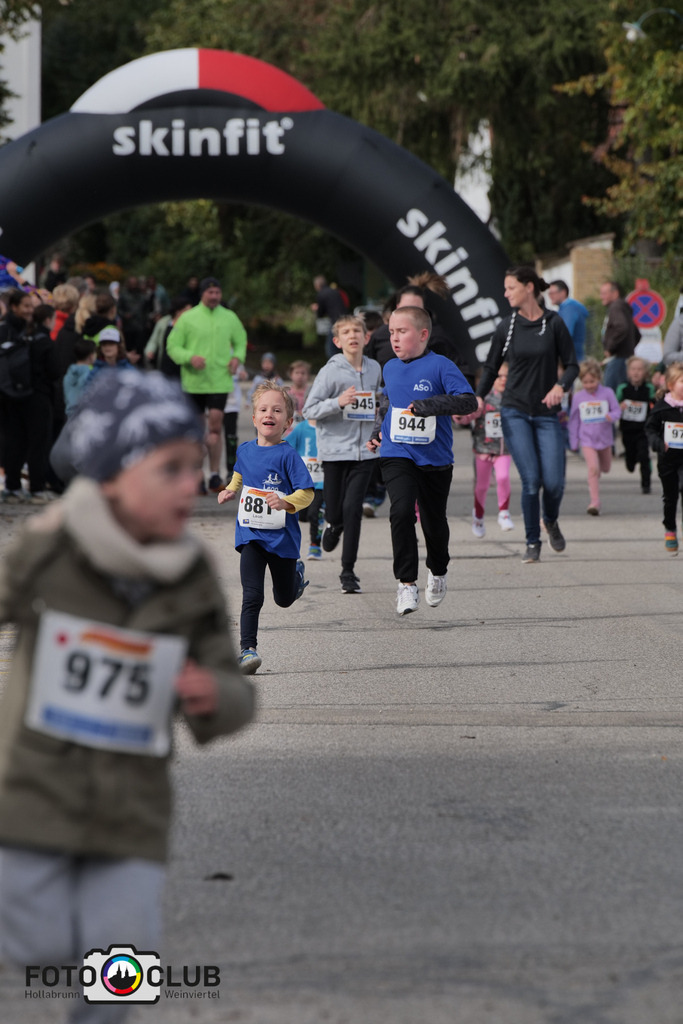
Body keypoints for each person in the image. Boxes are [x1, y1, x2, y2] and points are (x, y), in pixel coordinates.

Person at [0, 369, 255, 1024]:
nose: (189, 487)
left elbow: (232, 685)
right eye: (168, 470)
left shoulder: (189, 572)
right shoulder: (55, 545)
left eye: (195, 467)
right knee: (44, 947)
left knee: (125, 969)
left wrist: (210, 696)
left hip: (131, 811)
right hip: (33, 795)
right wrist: (37, 539)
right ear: (113, 474)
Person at [367, 306, 476, 614]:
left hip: (435, 458)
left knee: (434, 522)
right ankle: (406, 584)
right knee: (400, 512)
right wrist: (378, 431)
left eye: (402, 332)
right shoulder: (389, 366)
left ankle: (438, 570)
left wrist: (430, 405)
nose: (394, 338)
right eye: (391, 332)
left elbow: (469, 401)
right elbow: (388, 402)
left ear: (423, 334)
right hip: (396, 453)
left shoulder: (441, 366)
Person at [476, 266, 578, 563]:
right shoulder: (506, 326)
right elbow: (491, 367)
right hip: (515, 411)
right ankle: (532, 541)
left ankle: (551, 520)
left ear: (529, 287)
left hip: (547, 414)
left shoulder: (554, 323)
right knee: (532, 480)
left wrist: (561, 386)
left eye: (511, 288)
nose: (506, 293)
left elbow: (572, 365)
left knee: (555, 483)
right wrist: (478, 399)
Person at [217, 382, 314, 673]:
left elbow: (307, 493)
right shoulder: (246, 450)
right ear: (254, 418)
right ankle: (248, 650)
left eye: (277, 410)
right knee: (252, 594)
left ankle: (294, 578)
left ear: (288, 422)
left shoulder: (288, 456)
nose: (269, 414)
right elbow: (239, 473)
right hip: (251, 536)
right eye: (263, 409)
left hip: (282, 539)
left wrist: (285, 502)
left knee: (283, 599)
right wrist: (230, 489)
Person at [302, 314, 382, 594]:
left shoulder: (375, 369)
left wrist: (379, 416)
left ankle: (348, 571)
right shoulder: (330, 371)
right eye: (346, 332)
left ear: (366, 337)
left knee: (354, 510)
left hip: (365, 453)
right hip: (335, 452)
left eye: (357, 331)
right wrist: (339, 402)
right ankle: (332, 525)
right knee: (336, 511)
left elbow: (380, 400)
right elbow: (309, 410)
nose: (353, 335)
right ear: (337, 341)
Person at [166, 276, 247, 494]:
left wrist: (237, 358)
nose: (214, 296)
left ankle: (214, 474)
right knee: (197, 431)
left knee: (214, 427)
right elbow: (172, 346)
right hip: (194, 382)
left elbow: (241, 340)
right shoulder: (188, 318)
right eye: (210, 293)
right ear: (202, 294)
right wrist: (189, 357)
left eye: (217, 293)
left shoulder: (229, 317)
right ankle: (196, 474)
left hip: (220, 381)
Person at [0, 289, 60, 504]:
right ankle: (36, 488)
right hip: (35, 395)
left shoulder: (4, 331)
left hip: (8, 395)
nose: (30, 309)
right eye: (26, 305)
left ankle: (13, 487)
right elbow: (53, 370)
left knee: (13, 441)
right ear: (14, 306)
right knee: (38, 442)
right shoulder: (35, 334)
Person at [457, 363, 514, 537]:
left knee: (503, 477)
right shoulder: (484, 399)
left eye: (506, 376)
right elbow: (468, 417)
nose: (503, 380)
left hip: (504, 449)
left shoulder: (514, 398)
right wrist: (460, 415)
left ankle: (504, 512)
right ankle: (479, 517)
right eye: (499, 376)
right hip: (483, 449)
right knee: (481, 486)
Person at [568, 358, 621, 515]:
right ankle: (594, 502)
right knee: (593, 469)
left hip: (605, 439)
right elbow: (574, 420)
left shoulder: (608, 393)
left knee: (605, 468)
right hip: (587, 440)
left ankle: (596, 477)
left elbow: (617, 410)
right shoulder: (578, 397)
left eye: (592, 381)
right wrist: (573, 441)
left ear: (599, 378)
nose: (589, 385)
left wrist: (611, 416)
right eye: (585, 382)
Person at [645, 362, 683, 555]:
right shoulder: (661, 408)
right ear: (670, 385)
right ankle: (670, 528)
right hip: (667, 459)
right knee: (670, 496)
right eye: (682, 381)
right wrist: (659, 444)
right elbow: (650, 429)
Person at [287, 416, 325, 559]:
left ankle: (315, 545)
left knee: (314, 513)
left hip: (322, 482)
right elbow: (287, 446)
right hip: (303, 483)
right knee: (302, 515)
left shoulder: (329, 427)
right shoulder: (301, 428)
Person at [616, 356, 655, 494]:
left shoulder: (649, 388)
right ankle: (630, 460)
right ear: (628, 372)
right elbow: (615, 405)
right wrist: (619, 407)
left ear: (645, 372)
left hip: (643, 429)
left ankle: (646, 484)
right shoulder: (623, 388)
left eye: (639, 369)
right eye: (633, 369)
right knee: (631, 460)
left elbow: (654, 404)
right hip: (627, 430)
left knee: (644, 455)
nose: (636, 372)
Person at [599, 281, 640, 391]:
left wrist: (610, 348)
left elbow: (622, 327)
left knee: (610, 393)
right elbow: (637, 334)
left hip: (617, 358)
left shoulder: (616, 307)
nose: (601, 296)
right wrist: (628, 347)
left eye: (604, 293)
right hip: (624, 357)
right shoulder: (623, 308)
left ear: (615, 293)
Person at [547, 280, 590, 363]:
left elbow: (565, 333)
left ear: (563, 292)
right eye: (549, 293)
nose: (550, 296)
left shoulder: (569, 309)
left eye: (552, 293)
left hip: (572, 359)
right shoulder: (566, 308)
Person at [312, 275, 348, 359]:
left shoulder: (321, 294)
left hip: (335, 322)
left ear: (317, 285)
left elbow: (320, 313)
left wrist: (316, 308)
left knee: (330, 349)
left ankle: (336, 366)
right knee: (343, 345)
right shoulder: (335, 291)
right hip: (345, 319)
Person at [63, 335, 96, 417]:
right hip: (84, 418)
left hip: (69, 417)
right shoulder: (90, 375)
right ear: (91, 356)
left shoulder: (68, 374)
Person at [286, 359, 311, 428]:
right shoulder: (287, 393)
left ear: (308, 376)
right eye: (297, 373)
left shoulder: (312, 392)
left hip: (307, 428)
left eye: (303, 373)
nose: (300, 376)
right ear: (291, 374)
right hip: (290, 430)